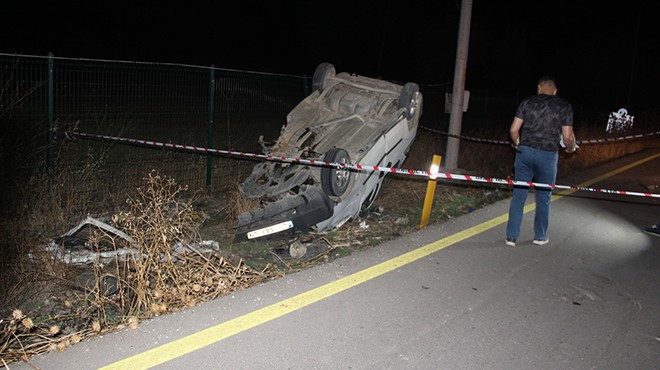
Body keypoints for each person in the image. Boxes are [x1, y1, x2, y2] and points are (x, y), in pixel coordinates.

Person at [505, 76, 577, 246]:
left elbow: (514, 130)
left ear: (539, 88)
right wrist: (570, 148)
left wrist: (517, 144)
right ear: (555, 91)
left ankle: (511, 236)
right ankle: (540, 236)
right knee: (544, 196)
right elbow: (567, 137)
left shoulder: (527, 102)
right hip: (547, 155)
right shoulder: (564, 106)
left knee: (519, 194)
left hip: (525, 152)